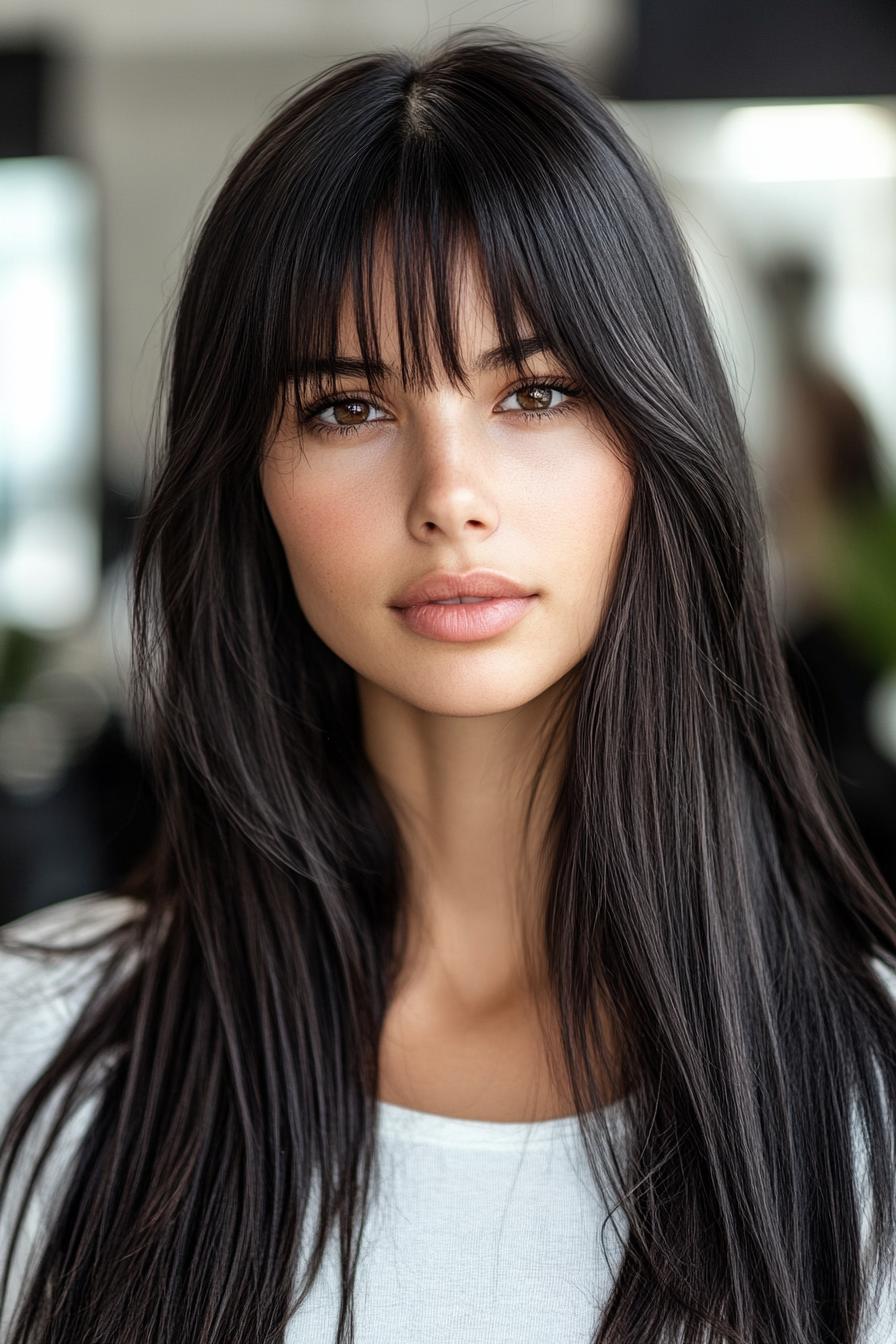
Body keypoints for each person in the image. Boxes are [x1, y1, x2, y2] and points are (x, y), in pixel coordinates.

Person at [1, 27, 895, 1344]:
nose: (450, 499)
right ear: (250, 480)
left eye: (535, 394)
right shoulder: (41, 1057)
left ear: (660, 440)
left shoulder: (864, 1089)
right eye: (348, 409)